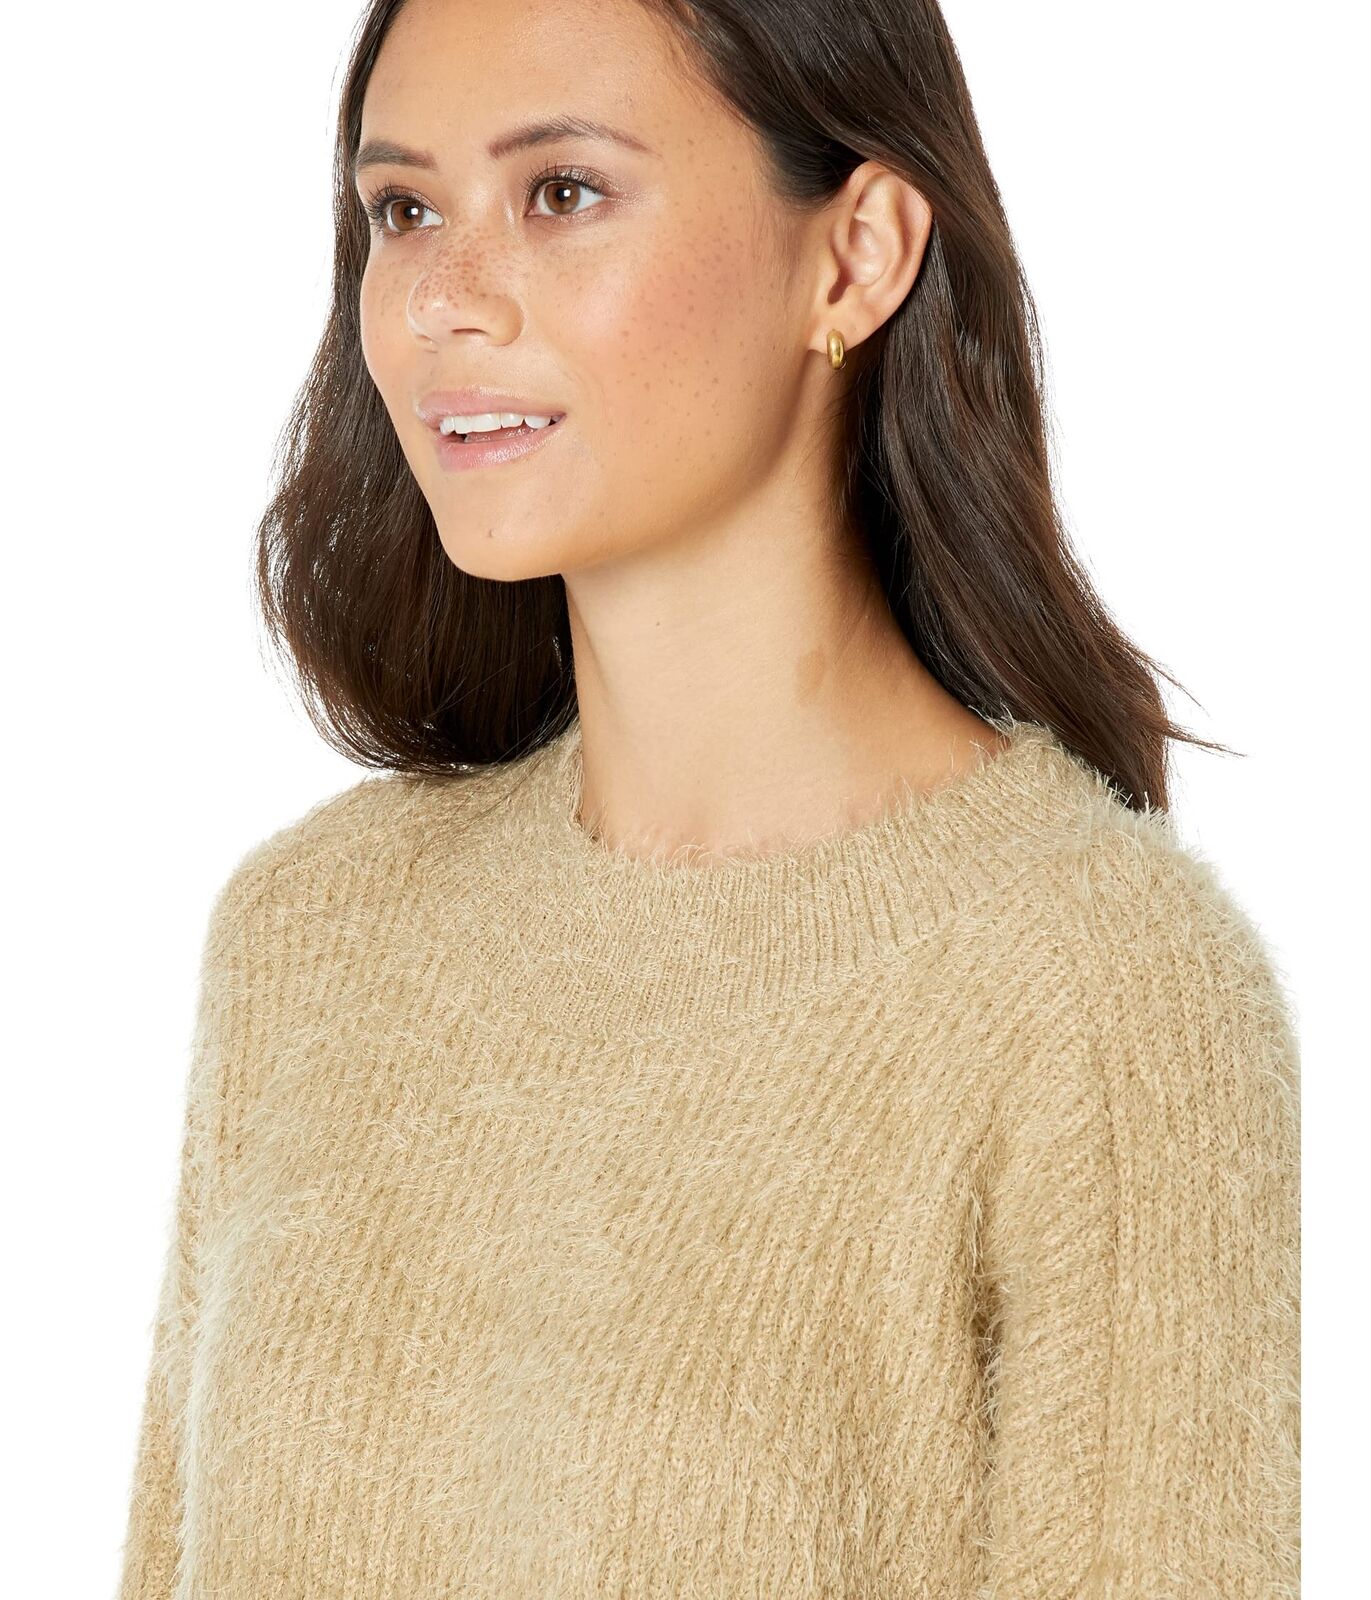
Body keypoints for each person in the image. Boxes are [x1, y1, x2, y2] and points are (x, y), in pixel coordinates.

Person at [115, 0, 1300, 1595]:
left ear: (857, 257)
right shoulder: (308, 938)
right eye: (403, 209)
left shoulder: (1102, 998)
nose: (442, 302)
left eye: (562, 192)